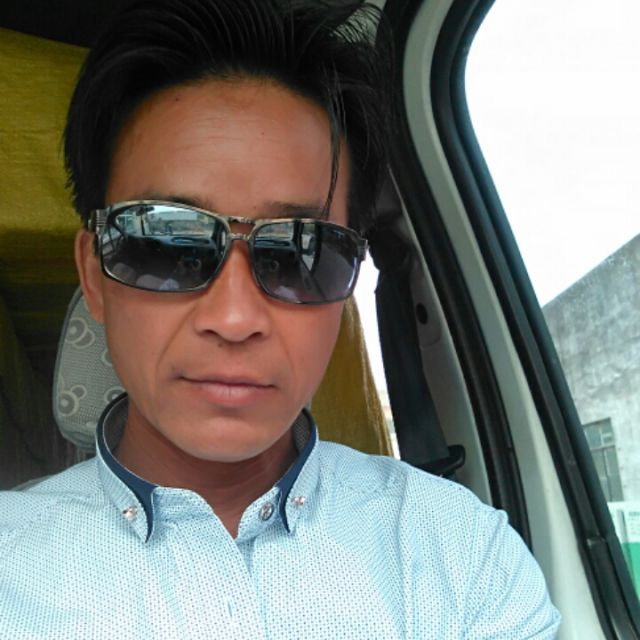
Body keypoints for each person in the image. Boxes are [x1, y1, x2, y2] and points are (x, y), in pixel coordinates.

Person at [0, 1, 561, 637]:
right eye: (165, 242)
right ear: (94, 274)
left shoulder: (462, 555)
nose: (235, 318)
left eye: (301, 251)